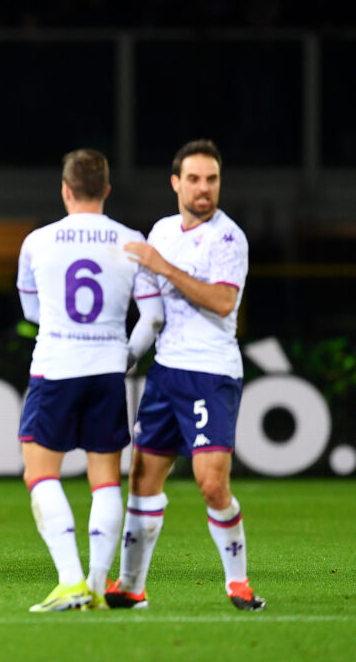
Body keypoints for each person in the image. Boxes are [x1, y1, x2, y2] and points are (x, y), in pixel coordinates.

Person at [106, 139, 266, 611]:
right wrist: (122, 362)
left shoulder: (228, 238)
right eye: (194, 179)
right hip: (166, 373)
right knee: (142, 482)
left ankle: (238, 582)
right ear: (176, 183)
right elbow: (152, 316)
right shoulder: (162, 231)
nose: (204, 188)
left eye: (212, 179)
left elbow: (223, 301)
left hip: (210, 373)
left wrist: (163, 266)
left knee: (211, 485)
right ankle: (131, 587)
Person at [15, 149, 164, 612]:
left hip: (56, 367)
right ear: (106, 190)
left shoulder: (38, 241)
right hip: (107, 370)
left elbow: (31, 310)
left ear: (65, 190)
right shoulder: (132, 241)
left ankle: (70, 580)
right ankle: (98, 584)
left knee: (40, 473)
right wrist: (126, 357)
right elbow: (154, 318)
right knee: (105, 480)